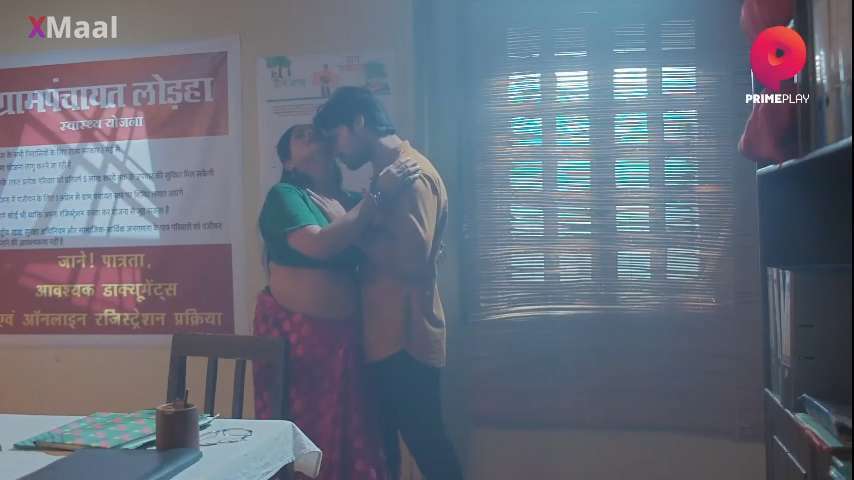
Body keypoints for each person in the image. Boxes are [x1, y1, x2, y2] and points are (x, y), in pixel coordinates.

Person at [314, 87, 465, 480]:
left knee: (428, 447)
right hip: (387, 336)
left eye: (335, 137)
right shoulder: (387, 175)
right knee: (384, 451)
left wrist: (353, 231)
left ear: (359, 122)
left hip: (405, 338)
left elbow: (412, 262)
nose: (335, 151)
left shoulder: (409, 175)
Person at [254, 123, 419, 480]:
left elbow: (389, 253)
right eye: (298, 135)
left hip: (351, 340)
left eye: (314, 131)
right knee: (303, 446)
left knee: (355, 438)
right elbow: (319, 244)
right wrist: (375, 197)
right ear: (288, 162)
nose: (309, 133)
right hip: (296, 348)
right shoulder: (287, 195)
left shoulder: (351, 200)